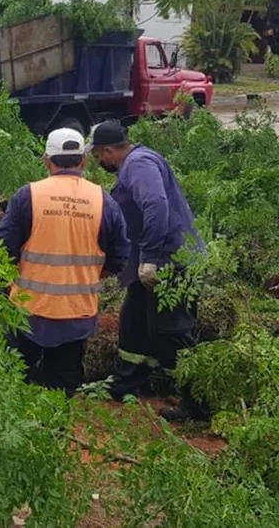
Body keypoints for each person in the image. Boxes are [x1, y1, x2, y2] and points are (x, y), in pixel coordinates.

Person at [0, 128, 129, 397]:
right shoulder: (103, 201)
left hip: (27, 312)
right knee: (62, 390)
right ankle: (54, 432)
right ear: (83, 161)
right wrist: (90, 276)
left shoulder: (27, 197)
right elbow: (120, 256)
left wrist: (4, 285)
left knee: (12, 381)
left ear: (47, 160)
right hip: (76, 314)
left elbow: (1, 249)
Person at [89, 121, 207, 421]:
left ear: (108, 150)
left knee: (172, 331)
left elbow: (156, 205)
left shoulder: (138, 165)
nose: (100, 163)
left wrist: (151, 258)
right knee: (134, 322)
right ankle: (125, 384)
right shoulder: (137, 162)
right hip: (157, 262)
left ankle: (197, 402)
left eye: (99, 157)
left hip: (171, 264)